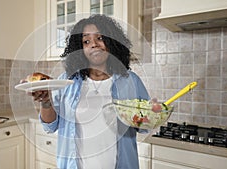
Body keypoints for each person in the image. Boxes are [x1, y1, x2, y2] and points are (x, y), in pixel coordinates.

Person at [30, 14, 149, 169]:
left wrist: (150, 114)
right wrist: (46, 102)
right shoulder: (66, 80)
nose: (94, 44)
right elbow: (50, 126)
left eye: (100, 38)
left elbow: (145, 125)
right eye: (86, 41)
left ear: (111, 42)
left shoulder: (131, 81)